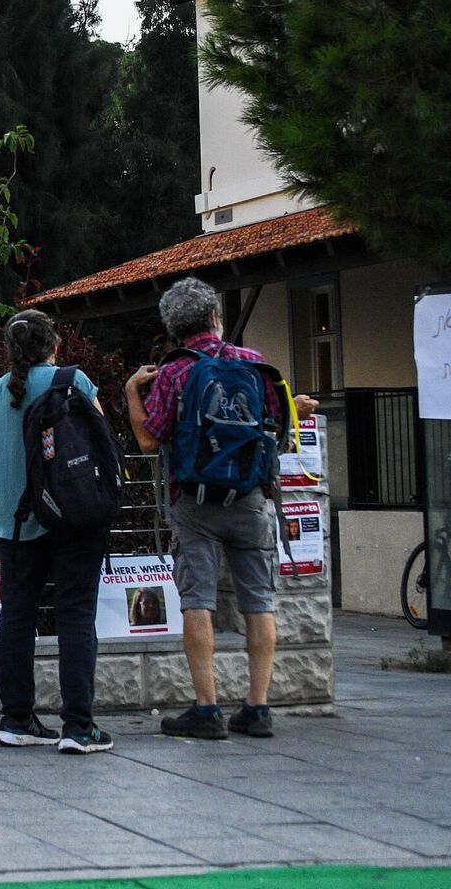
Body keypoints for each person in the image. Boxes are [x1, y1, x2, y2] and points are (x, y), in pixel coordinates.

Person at [125, 276, 317, 741]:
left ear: (174, 330)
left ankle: (207, 709)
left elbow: (150, 439)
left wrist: (133, 392)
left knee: (198, 602)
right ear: (215, 317)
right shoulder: (255, 365)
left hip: (195, 503)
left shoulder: (174, 373)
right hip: (252, 500)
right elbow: (279, 424)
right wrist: (302, 410)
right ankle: (258, 707)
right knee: (260, 601)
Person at [0, 310, 114, 755]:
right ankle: (78, 726)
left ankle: (16, 719)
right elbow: (101, 438)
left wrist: (8, 483)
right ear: (54, 345)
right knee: (75, 616)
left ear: (10, 352)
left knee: (16, 617)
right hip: (74, 518)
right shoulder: (75, 382)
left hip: (16, 522)